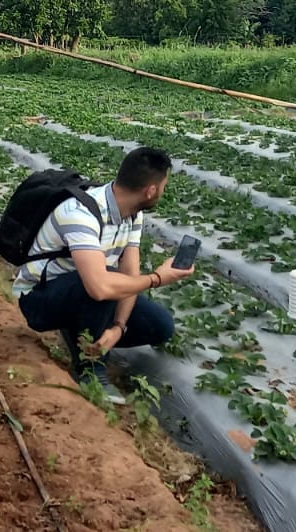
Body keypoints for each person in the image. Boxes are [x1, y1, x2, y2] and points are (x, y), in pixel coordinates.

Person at [14, 147, 193, 404]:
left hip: (84, 289)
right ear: (150, 190)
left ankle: (80, 331)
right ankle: (91, 369)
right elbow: (100, 287)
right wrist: (157, 278)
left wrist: (118, 327)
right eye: (163, 186)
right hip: (39, 299)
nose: (163, 192)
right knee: (103, 282)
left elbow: (130, 273)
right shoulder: (80, 213)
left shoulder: (133, 214)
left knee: (160, 326)